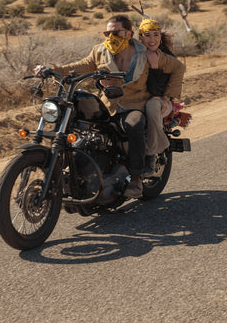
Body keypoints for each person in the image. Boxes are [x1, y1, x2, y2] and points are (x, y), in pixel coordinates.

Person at [35, 14, 151, 199]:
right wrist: (51, 69)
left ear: (129, 33)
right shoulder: (100, 50)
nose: (110, 36)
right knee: (78, 122)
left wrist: (164, 97)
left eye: (115, 32)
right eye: (107, 32)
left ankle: (137, 179)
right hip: (108, 103)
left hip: (134, 104)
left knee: (134, 125)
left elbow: (166, 69)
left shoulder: (144, 52)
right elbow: (80, 66)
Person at [138, 18, 186, 174]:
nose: (152, 39)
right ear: (140, 37)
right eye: (147, 35)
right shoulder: (134, 54)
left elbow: (158, 87)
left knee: (152, 106)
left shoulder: (164, 56)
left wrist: (165, 96)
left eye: (155, 35)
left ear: (160, 36)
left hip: (160, 100)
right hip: (136, 99)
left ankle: (151, 155)